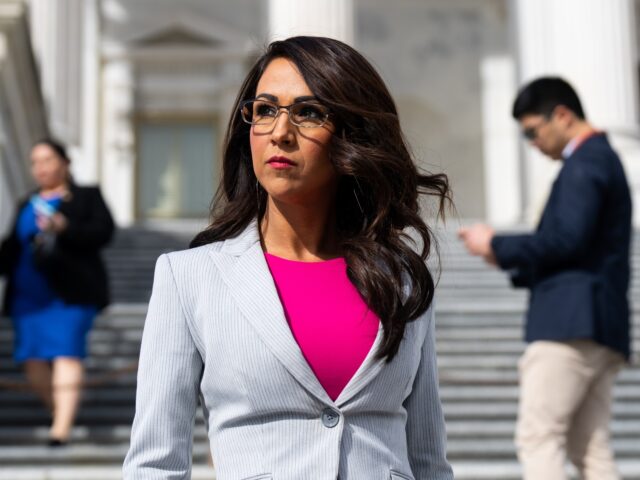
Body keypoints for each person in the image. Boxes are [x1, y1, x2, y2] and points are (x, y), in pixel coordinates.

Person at [123, 36, 453, 479]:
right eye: (264, 110)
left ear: (351, 133)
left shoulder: (404, 282)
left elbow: (429, 461)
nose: (280, 132)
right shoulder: (190, 278)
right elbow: (154, 464)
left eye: (309, 112)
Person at [459, 77, 631, 480]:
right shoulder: (601, 159)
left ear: (563, 116)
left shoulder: (585, 162)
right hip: (599, 324)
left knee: (539, 437)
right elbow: (578, 244)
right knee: (590, 448)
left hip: (569, 325)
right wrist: (503, 256)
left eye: (532, 132)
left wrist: (496, 243)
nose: (532, 143)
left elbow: (566, 239)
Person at [0, 138, 115, 446]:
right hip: (28, 295)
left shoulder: (85, 196)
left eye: (47, 160)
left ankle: (60, 430)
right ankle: (58, 412)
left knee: (67, 352)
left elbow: (103, 232)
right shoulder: (27, 202)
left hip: (71, 292)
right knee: (32, 359)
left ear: (65, 162)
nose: (41, 168)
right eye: (35, 162)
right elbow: (11, 247)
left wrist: (66, 227)